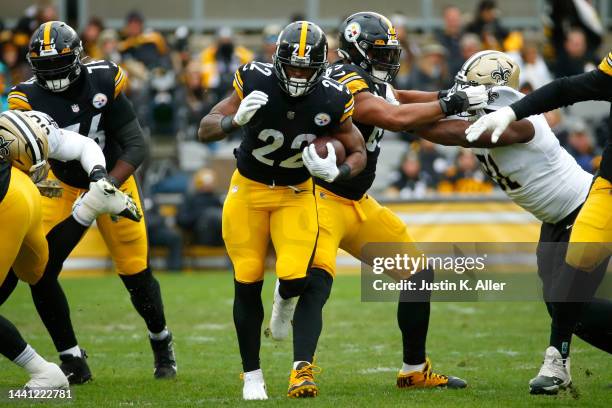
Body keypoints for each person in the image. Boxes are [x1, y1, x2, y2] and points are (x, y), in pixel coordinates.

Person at [267, 11, 488, 396]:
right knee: (317, 281)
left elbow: (401, 99)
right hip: (319, 196)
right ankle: (301, 371)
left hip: (357, 201)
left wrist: (459, 101)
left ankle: (414, 370)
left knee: (418, 275)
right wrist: (451, 102)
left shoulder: (369, 80)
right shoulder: (342, 78)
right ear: (356, 50)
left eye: (390, 52)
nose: (388, 59)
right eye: (380, 52)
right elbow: (393, 116)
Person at [198, 21, 367, 400]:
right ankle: (252, 375)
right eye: (292, 66)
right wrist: (232, 120)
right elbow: (205, 128)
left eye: (306, 69)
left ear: (321, 67)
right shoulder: (254, 79)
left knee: (294, 277)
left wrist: (337, 171)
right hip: (249, 192)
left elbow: (358, 151)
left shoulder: (333, 98)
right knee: (247, 278)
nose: (297, 75)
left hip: (295, 192)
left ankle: (284, 300)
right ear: (277, 60)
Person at [7, 21, 176, 383]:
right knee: (41, 271)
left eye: (59, 65)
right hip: (61, 183)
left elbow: (136, 144)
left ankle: (161, 341)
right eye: (45, 68)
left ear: (79, 58)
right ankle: (71, 359)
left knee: (134, 270)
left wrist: (107, 185)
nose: (53, 75)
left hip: (115, 175)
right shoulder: (25, 97)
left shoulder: (103, 79)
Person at [466, 49, 612, 394]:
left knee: (566, 296)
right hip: (607, 188)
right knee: (565, 293)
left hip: (577, 200)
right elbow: (568, 88)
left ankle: (556, 363)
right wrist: (513, 110)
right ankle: (557, 362)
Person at [0, 109, 140, 390]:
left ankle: (43, 372)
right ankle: (89, 208)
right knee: (41, 274)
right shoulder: (31, 122)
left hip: (8, 201)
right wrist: (98, 176)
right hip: (26, 197)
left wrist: (99, 175)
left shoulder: (20, 129)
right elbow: (84, 145)